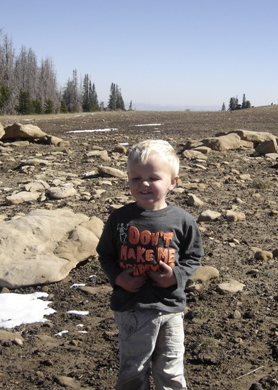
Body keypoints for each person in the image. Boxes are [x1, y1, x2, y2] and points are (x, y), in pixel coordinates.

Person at [97, 139, 204, 390]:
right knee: (133, 370)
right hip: (132, 307)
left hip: (170, 307)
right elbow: (105, 254)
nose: (144, 184)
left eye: (153, 178)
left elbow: (193, 256)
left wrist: (176, 276)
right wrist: (119, 278)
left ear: (173, 182)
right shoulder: (120, 218)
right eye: (136, 178)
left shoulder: (182, 220)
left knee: (171, 370)